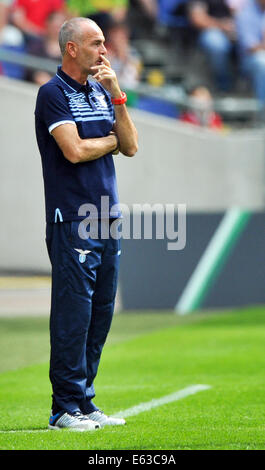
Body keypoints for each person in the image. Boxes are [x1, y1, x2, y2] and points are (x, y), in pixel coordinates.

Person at [35, 17, 138, 431]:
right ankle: (63, 409)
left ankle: (84, 401)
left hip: (106, 216)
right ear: (71, 48)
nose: (104, 50)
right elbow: (74, 151)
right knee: (73, 315)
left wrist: (116, 95)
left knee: (100, 314)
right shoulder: (52, 93)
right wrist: (111, 142)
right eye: (96, 43)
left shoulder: (101, 91)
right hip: (73, 217)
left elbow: (131, 146)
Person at [189, 0, 236, 91]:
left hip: (239, 29)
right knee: (216, 44)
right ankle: (223, 84)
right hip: (211, 30)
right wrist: (221, 25)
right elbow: (197, 19)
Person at [235, 0, 265, 117]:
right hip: (249, 61)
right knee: (262, 62)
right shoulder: (245, 13)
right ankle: (263, 114)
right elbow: (249, 47)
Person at [26, 11, 66, 86]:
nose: (56, 30)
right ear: (48, 24)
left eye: (59, 27)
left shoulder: (69, 53)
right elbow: (28, 67)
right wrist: (38, 76)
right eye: (54, 26)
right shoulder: (36, 44)